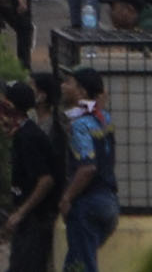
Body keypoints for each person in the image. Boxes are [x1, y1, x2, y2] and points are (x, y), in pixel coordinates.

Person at [56, 70, 118, 272]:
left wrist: (67, 198)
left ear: (81, 91)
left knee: (81, 265)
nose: (64, 86)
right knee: (76, 262)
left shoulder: (80, 125)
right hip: (109, 201)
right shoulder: (104, 118)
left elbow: (88, 167)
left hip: (87, 204)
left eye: (69, 83)